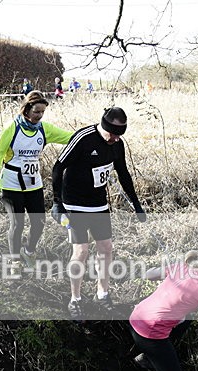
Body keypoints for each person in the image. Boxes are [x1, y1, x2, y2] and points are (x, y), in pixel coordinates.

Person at [51, 106, 146, 321]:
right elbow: (58, 167)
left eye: (119, 135)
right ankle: (75, 299)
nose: (114, 139)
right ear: (104, 127)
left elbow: (123, 173)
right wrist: (57, 203)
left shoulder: (117, 144)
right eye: (111, 134)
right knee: (81, 252)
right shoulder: (83, 138)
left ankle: (102, 294)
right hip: (74, 204)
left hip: (99, 205)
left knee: (106, 248)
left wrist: (136, 203)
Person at [0, 91, 72, 277]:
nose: (39, 116)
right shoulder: (12, 129)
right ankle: (15, 262)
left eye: (43, 112)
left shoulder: (44, 129)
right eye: (36, 111)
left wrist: (95, 133)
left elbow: (70, 137)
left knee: (39, 222)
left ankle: (29, 252)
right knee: (17, 224)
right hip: (11, 184)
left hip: (34, 184)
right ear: (26, 109)